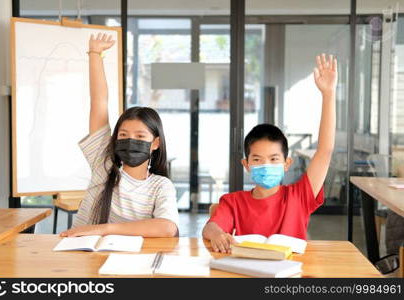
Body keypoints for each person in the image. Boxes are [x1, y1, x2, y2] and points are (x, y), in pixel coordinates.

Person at [203, 53, 338, 253]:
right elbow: (211, 227)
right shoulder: (233, 202)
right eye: (257, 159)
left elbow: (325, 151)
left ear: (286, 163)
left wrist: (328, 94)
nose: (266, 164)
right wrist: (216, 234)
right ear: (246, 164)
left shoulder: (300, 196)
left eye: (274, 159)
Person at [60, 33, 178, 238]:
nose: (130, 140)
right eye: (123, 134)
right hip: (85, 256)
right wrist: (95, 53)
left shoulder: (160, 185)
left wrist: (104, 229)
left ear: (155, 143)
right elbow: (99, 102)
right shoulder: (103, 165)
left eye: (140, 136)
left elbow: (167, 228)